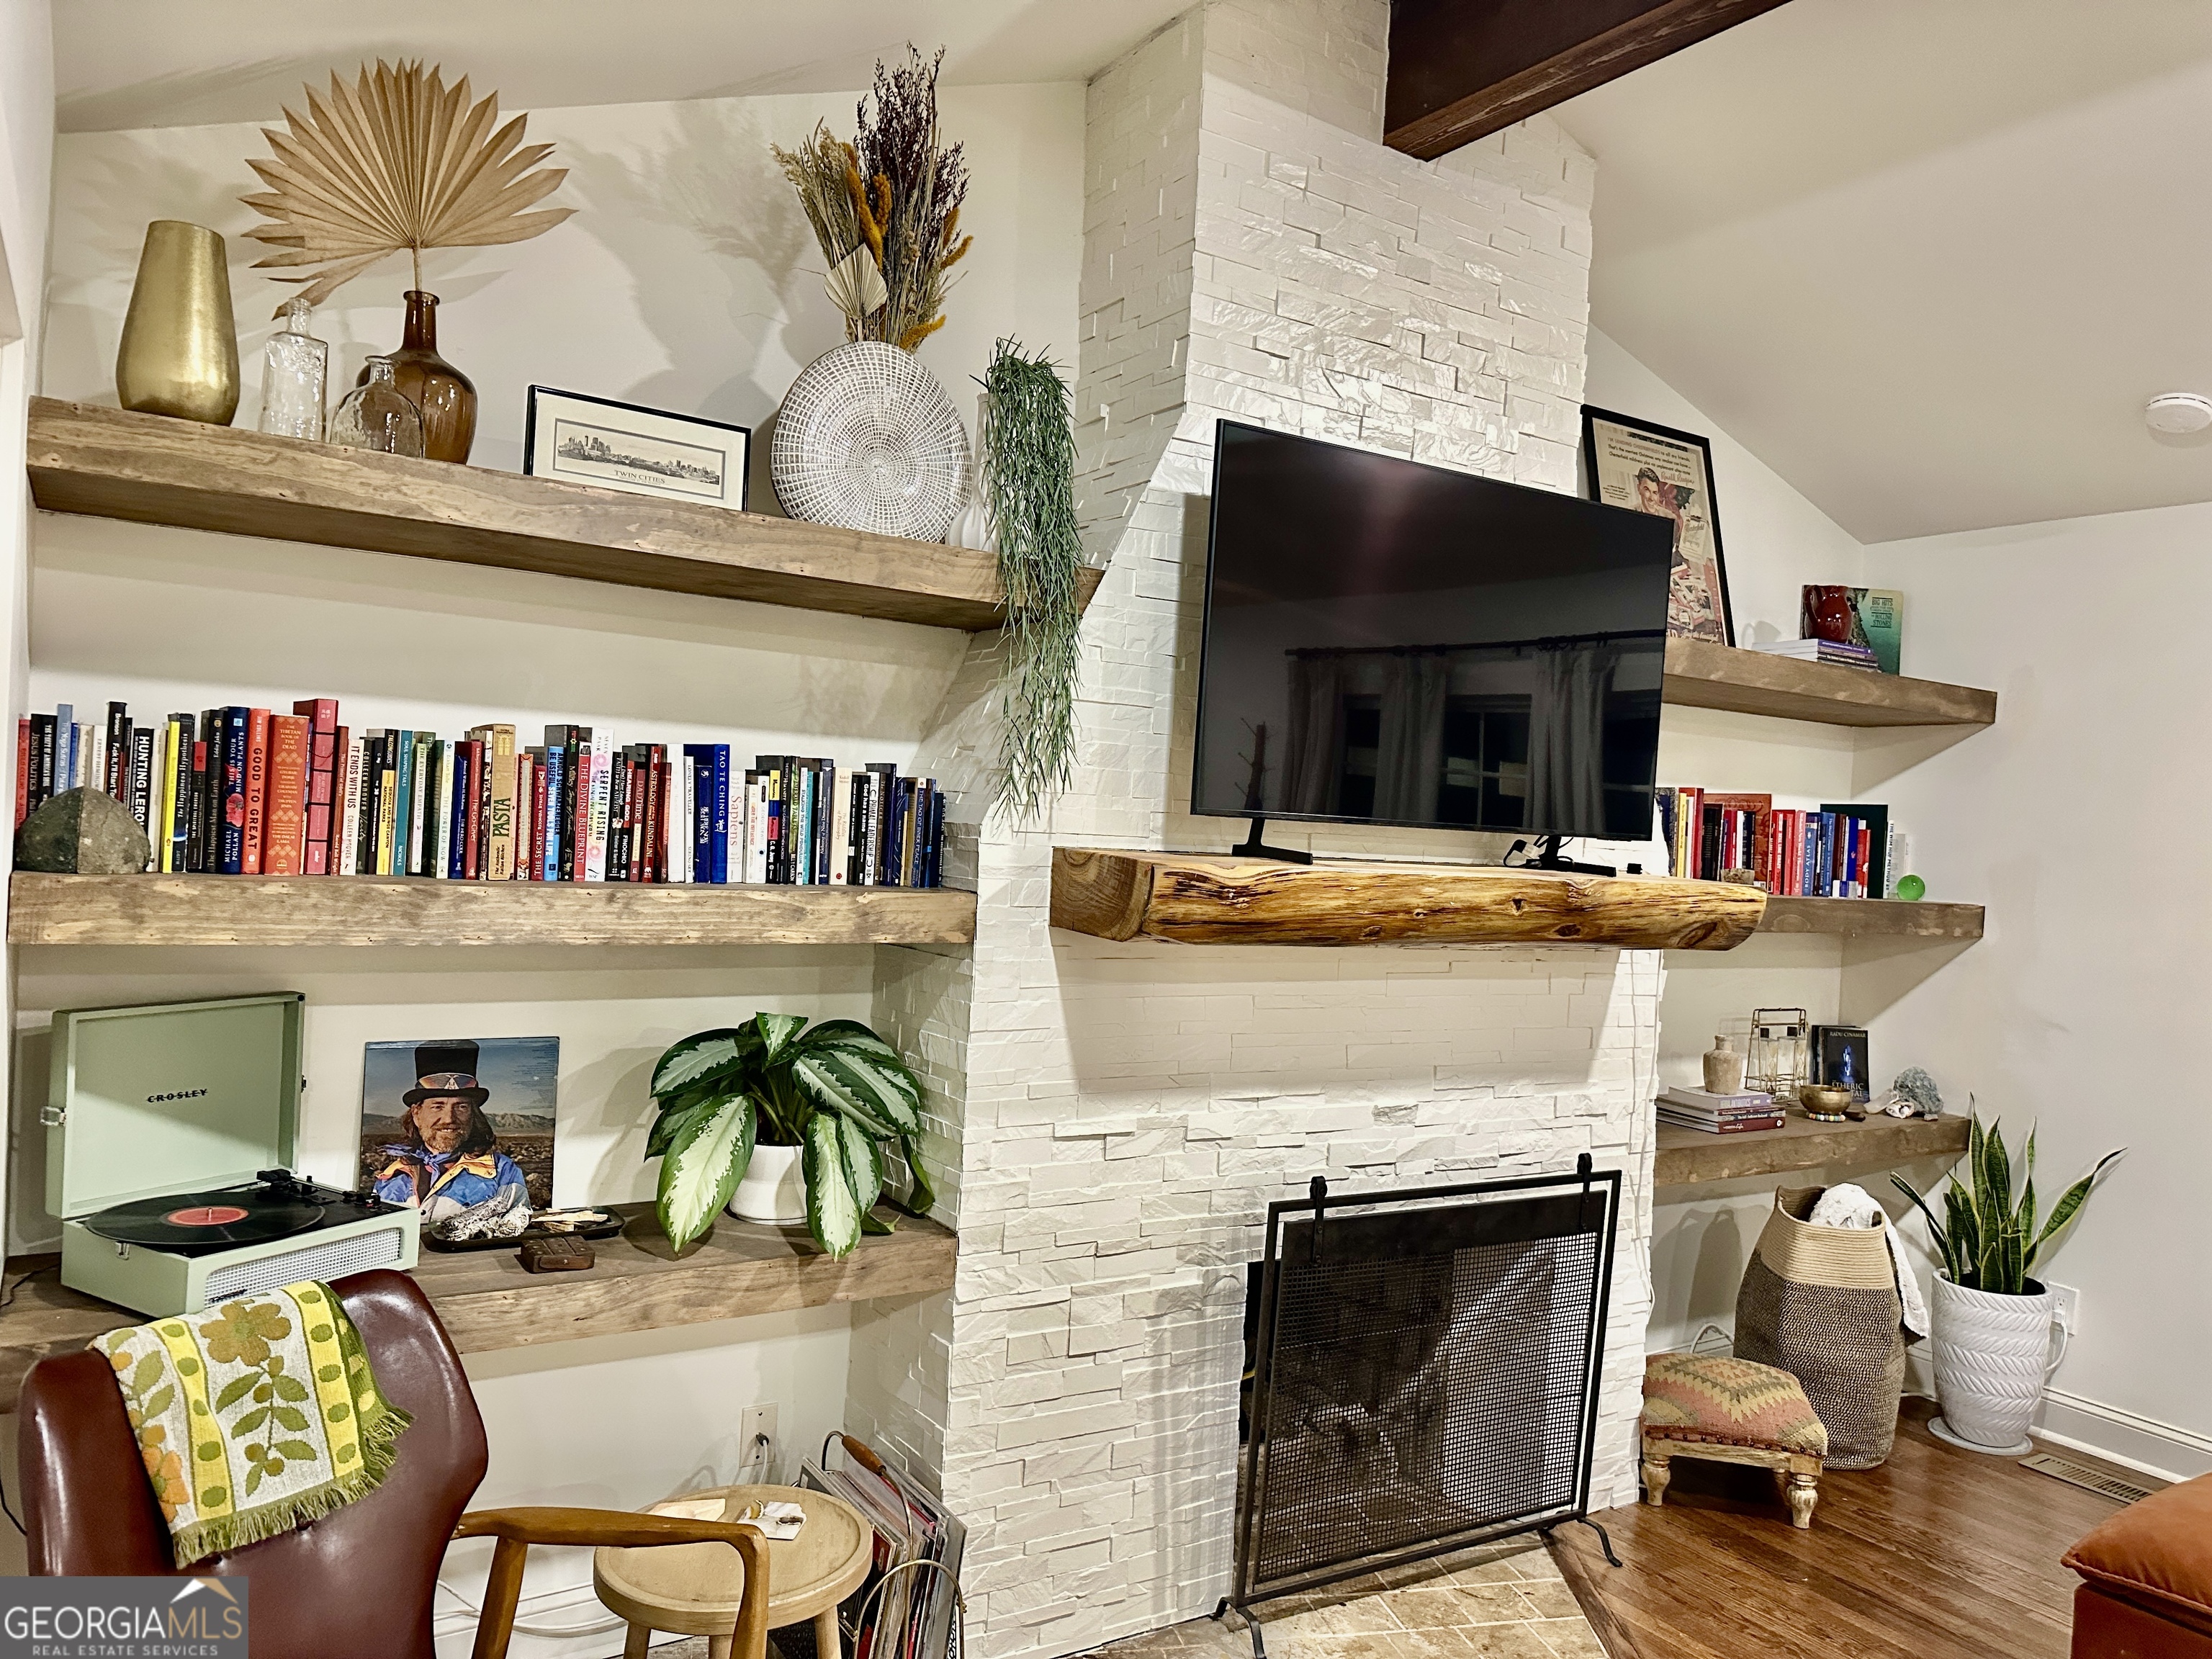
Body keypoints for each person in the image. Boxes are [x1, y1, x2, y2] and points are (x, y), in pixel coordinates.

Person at [371, 1040, 529, 1229]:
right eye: (437, 1107)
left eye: (461, 1107)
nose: (449, 1119)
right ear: (417, 1114)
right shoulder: (393, 1175)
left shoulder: (502, 1172)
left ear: (473, 1115)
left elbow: (518, 1225)